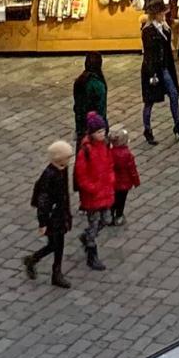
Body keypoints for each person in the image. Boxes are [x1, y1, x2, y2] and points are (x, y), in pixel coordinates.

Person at [23, 140, 74, 288]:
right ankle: (54, 272)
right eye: (67, 157)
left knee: (56, 245)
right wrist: (43, 222)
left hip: (61, 213)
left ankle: (36, 261)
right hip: (53, 216)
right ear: (58, 158)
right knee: (56, 244)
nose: (69, 160)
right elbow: (43, 201)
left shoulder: (62, 169)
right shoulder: (49, 175)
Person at [140, 1, 179, 144]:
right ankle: (147, 130)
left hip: (165, 68)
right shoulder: (148, 31)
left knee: (173, 94)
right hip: (152, 70)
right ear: (156, 15)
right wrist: (152, 74)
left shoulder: (165, 28)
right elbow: (149, 54)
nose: (164, 15)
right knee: (149, 101)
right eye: (162, 13)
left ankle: (178, 125)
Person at [73, 114, 115, 270]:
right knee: (94, 222)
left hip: (105, 191)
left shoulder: (104, 146)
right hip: (93, 196)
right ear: (91, 133)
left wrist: (111, 179)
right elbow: (81, 175)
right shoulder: (86, 151)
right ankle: (91, 252)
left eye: (103, 131)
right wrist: (93, 188)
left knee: (106, 219)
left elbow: (110, 164)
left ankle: (87, 237)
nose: (102, 134)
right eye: (98, 132)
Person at [73, 52, 108, 141]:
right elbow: (101, 109)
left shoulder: (80, 81)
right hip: (94, 128)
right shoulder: (98, 85)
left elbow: (77, 106)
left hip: (81, 126)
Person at [109, 128, 140, 224]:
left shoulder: (110, 153)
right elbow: (132, 170)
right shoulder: (127, 155)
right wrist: (136, 181)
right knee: (121, 201)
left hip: (113, 182)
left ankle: (110, 216)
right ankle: (119, 216)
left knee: (113, 200)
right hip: (124, 184)